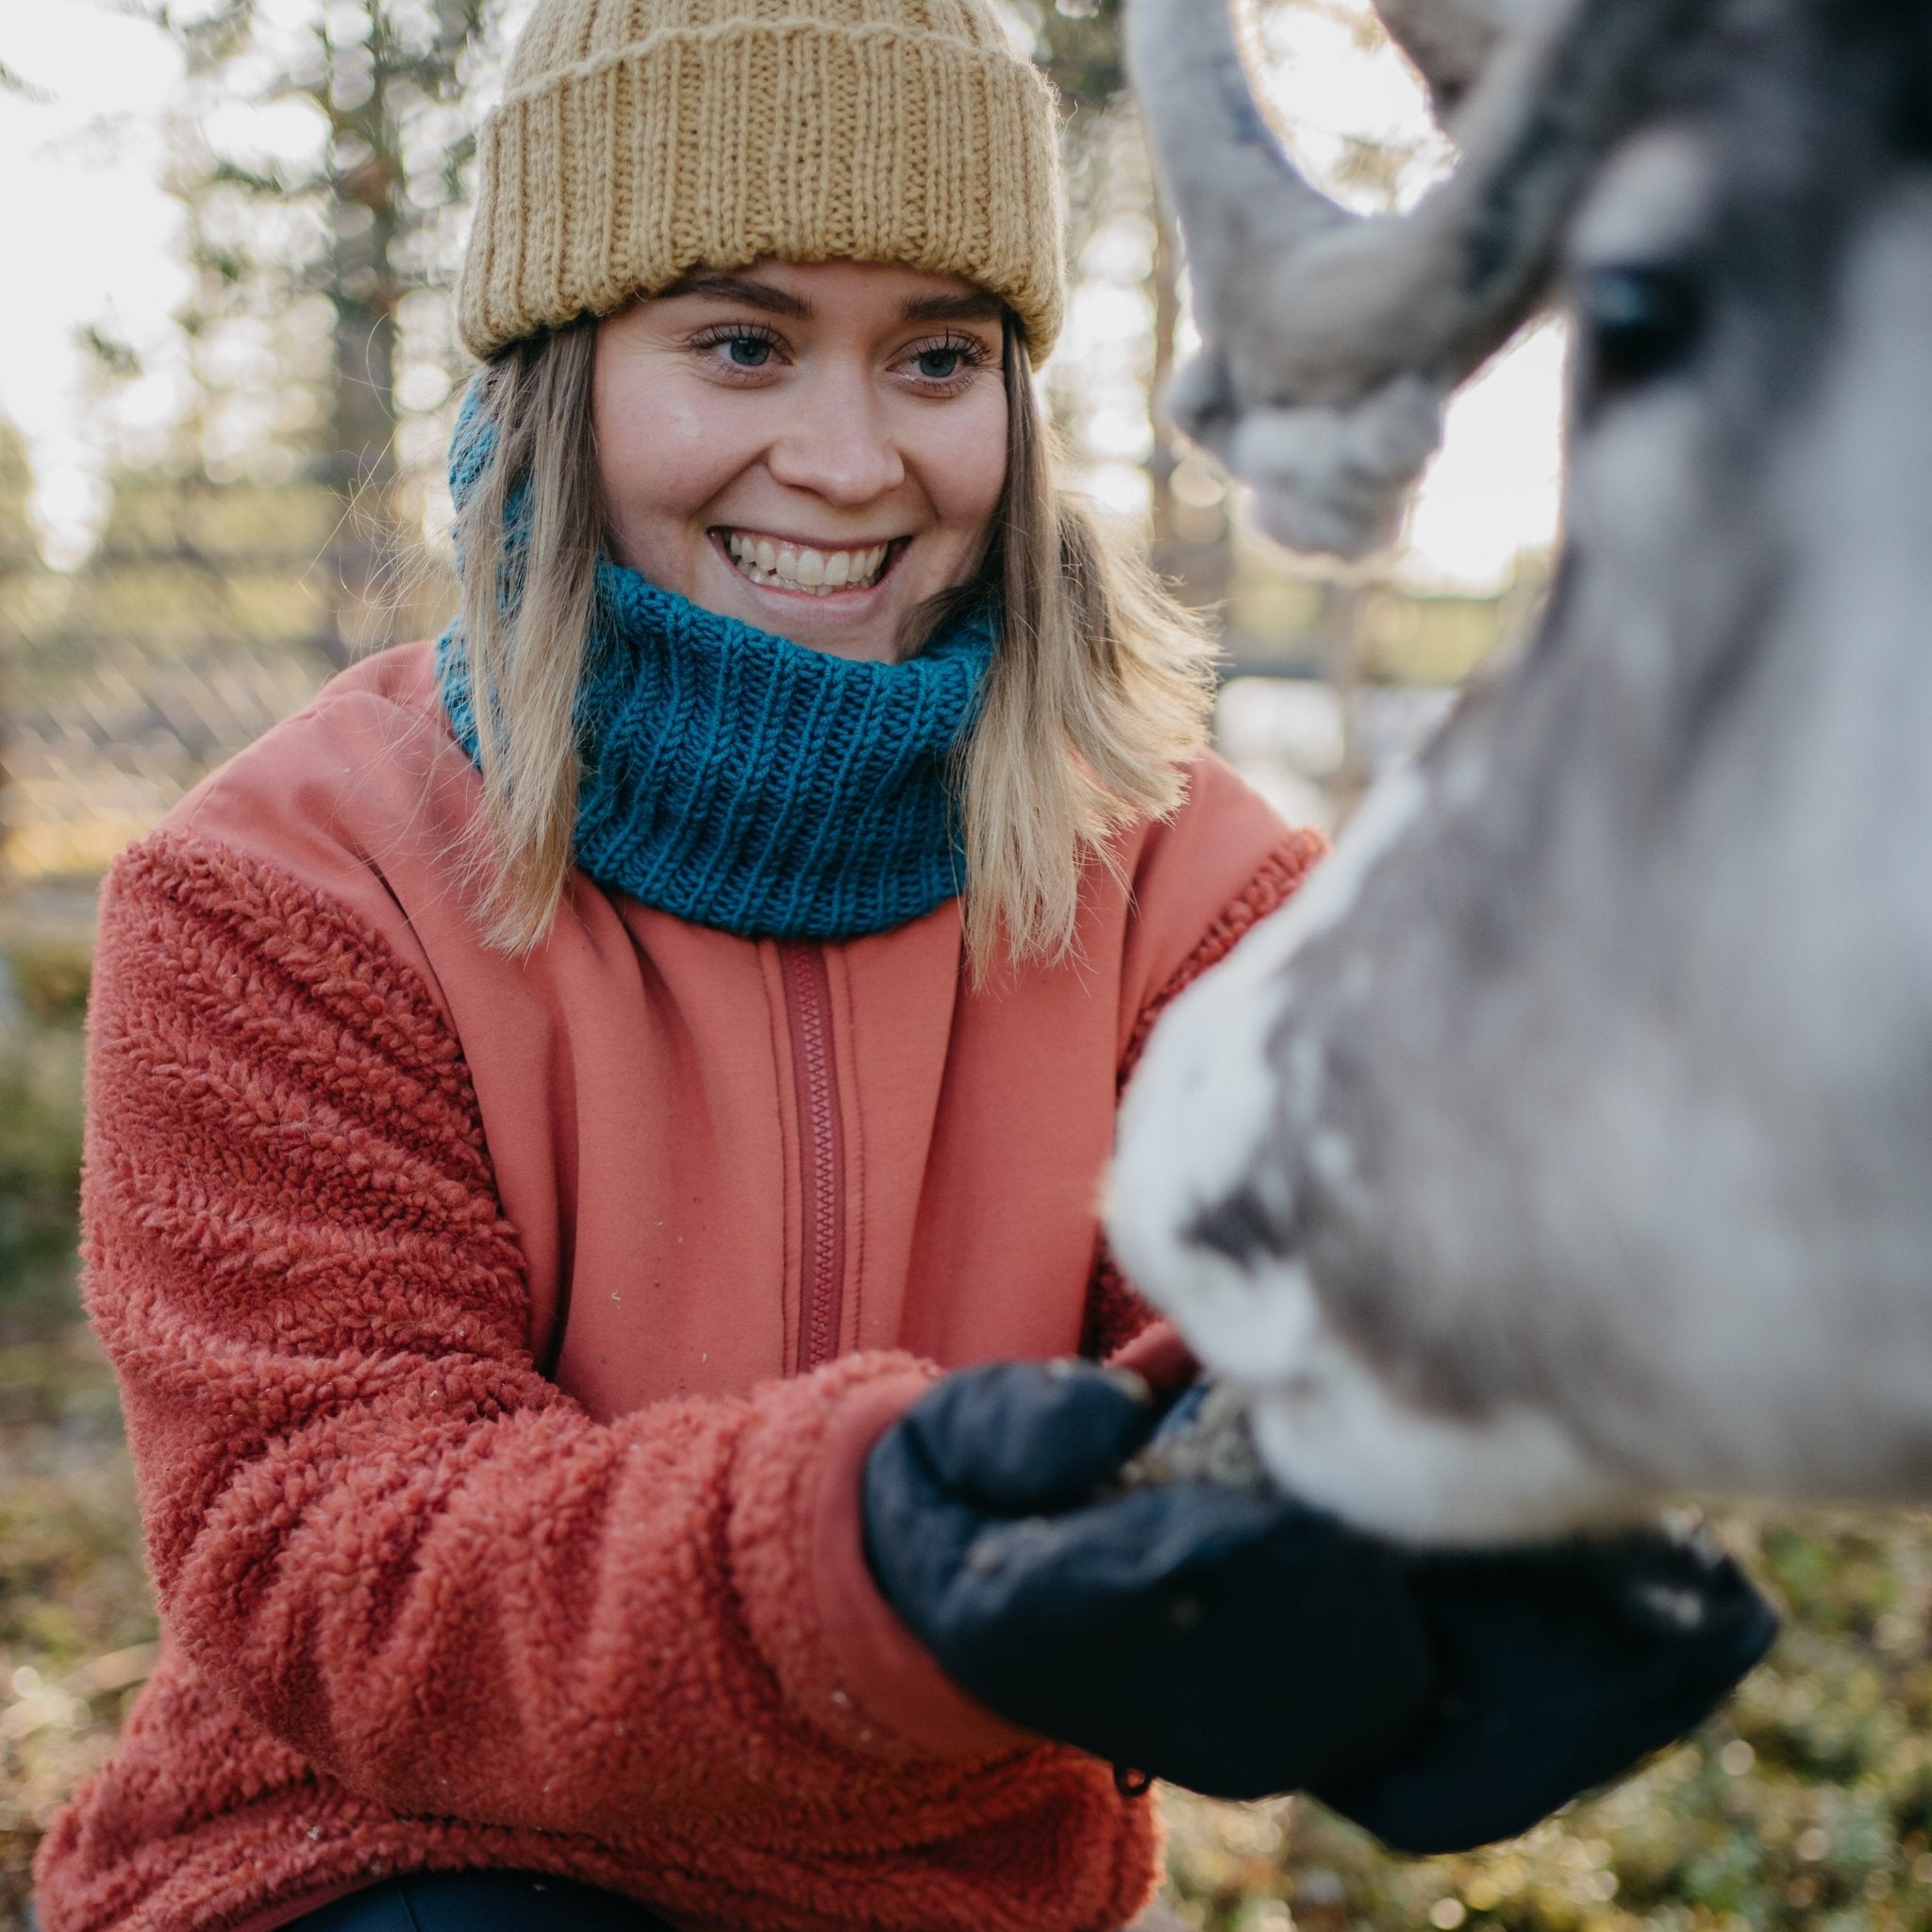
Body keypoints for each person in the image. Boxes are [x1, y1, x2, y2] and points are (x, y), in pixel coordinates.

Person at [31, 1, 1774, 1927]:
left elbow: (1297, 1299)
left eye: (936, 355)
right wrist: (863, 1549)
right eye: (742, 343)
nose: (852, 460)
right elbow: (339, 1561)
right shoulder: (283, 891)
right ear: (560, 367)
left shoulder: (1186, 891)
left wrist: (1420, 1507)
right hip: (391, 1863)